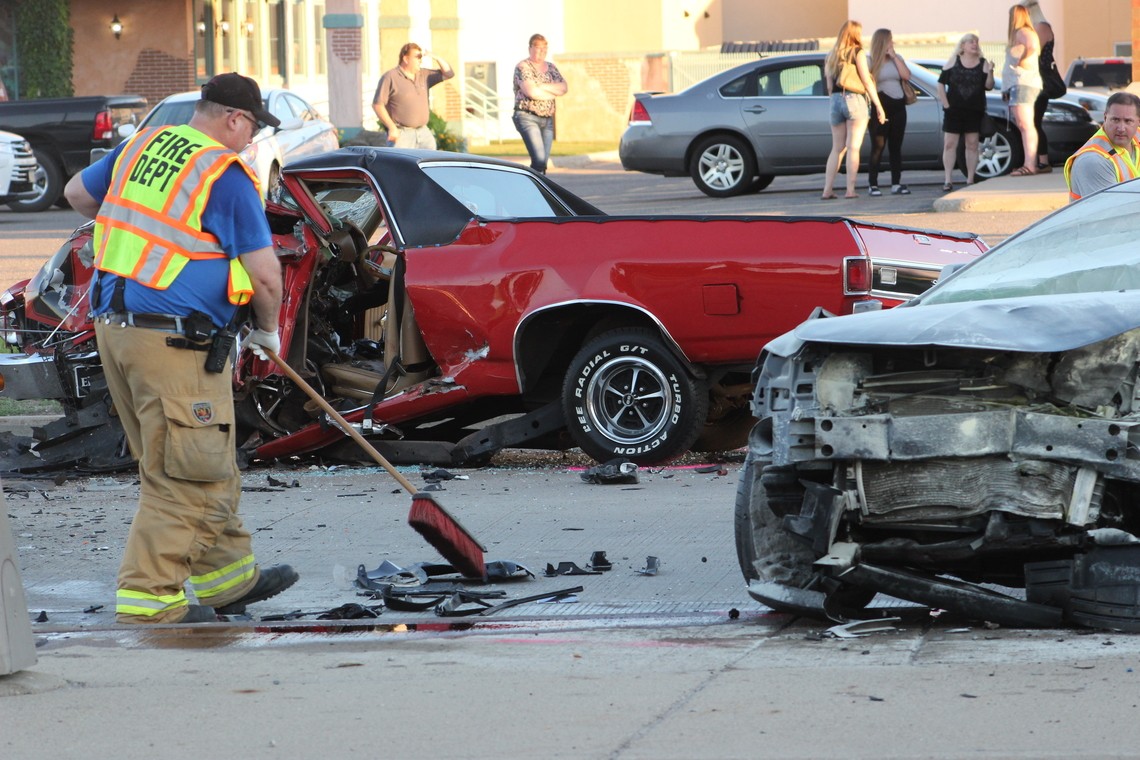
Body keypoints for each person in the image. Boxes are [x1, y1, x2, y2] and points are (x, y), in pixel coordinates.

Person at [62, 73, 299, 624]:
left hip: (118, 331)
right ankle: (150, 599)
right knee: (188, 471)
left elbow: (77, 194)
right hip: (175, 341)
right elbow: (266, 277)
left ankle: (229, 577)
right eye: (252, 128)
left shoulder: (144, 145)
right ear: (234, 119)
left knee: (186, 462)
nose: (251, 141)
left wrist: (135, 240)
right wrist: (267, 332)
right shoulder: (224, 172)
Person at [822, 20, 886, 200]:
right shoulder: (857, 52)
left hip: (835, 100)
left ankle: (827, 190)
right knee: (853, 148)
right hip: (854, 99)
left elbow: (828, 86)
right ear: (855, 34)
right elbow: (866, 80)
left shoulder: (831, 55)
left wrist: (836, 100)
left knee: (837, 148)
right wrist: (878, 106)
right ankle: (850, 190)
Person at [937, 33, 995, 188]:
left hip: (974, 111)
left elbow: (989, 86)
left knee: (972, 144)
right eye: (971, 42)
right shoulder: (954, 61)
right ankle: (948, 179)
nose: (974, 44)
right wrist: (946, 105)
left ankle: (970, 179)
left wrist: (990, 71)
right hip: (954, 111)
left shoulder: (982, 63)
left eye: (976, 42)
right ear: (962, 45)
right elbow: (940, 84)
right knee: (950, 144)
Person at [372, 42, 454, 149]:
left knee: (428, 164)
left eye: (421, 57)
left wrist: (435, 57)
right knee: (401, 165)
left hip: (423, 132)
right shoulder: (390, 77)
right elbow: (378, 105)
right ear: (406, 59)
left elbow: (449, 74)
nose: (421, 60)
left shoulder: (424, 75)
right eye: (417, 57)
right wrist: (392, 128)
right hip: (402, 134)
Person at [1064, 91, 1140, 201]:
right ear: (1105, 118)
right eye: (1115, 120)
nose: (1121, 128)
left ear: (1138, 122)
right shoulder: (1093, 160)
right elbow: (1112, 212)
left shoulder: (1137, 137)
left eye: (1128, 121)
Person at [512, 33, 568, 174]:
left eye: (545, 48)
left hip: (547, 119)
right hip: (527, 117)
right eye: (538, 48)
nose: (542, 51)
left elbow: (563, 88)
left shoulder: (551, 68)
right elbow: (532, 92)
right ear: (530, 48)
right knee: (539, 160)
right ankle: (532, 188)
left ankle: (541, 189)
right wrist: (551, 90)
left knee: (543, 163)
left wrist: (540, 85)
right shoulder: (523, 67)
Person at [867, 28, 912, 196]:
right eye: (890, 40)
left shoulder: (896, 58)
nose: (893, 43)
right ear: (882, 42)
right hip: (880, 107)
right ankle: (873, 184)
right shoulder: (870, 61)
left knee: (896, 146)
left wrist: (894, 56)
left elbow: (906, 76)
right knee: (878, 146)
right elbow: (867, 82)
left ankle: (896, 183)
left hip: (898, 106)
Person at [1002, 4, 1043, 176]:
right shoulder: (1022, 33)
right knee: (1023, 125)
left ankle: (1030, 164)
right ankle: (1028, 163)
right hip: (1019, 84)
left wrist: (1022, 61)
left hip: (1023, 83)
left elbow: (1032, 46)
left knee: (1026, 125)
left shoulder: (1023, 31)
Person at [1024, 0, 1057, 172]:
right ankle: (1035, 160)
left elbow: (1034, 52)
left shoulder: (1042, 27)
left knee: (1034, 122)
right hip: (1032, 80)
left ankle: (1043, 161)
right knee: (1031, 122)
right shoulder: (1032, 29)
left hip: (1041, 82)